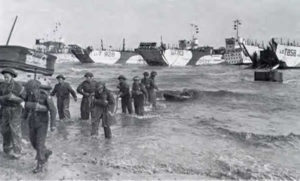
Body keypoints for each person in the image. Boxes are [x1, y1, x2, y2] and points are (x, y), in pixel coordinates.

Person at [23, 79, 57, 173]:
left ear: (36, 88)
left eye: (31, 89)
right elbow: (26, 108)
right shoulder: (29, 95)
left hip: (42, 123)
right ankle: (45, 152)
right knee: (33, 142)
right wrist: (24, 117)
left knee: (39, 143)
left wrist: (53, 125)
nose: (30, 91)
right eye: (28, 90)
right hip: (32, 122)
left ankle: (40, 164)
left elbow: (53, 110)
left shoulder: (45, 95)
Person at [0, 68, 26, 159]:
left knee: (15, 130)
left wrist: (16, 99)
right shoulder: (2, 85)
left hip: (15, 110)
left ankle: (17, 151)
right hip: (4, 109)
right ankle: (7, 148)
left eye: (7, 76)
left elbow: (24, 98)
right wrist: (6, 97)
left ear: (12, 76)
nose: (5, 77)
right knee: (4, 129)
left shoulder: (18, 86)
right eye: (4, 76)